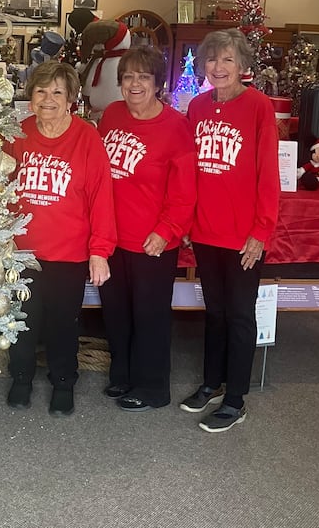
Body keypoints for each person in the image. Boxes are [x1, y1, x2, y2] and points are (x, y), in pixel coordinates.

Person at [180, 28, 279, 433]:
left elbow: (268, 175)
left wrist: (261, 232)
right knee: (215, 312)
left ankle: (236, 399)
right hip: (205, 231)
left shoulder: (258, 107)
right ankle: (212, 383)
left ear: (242, 65)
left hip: (243, 237)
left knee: (239, 315)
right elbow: (188, 171)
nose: (218, 67)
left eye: (227, 60)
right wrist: (186, 220)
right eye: (212, 59)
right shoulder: (198, 107)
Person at [7, 61, 116, 416]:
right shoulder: (17, 134)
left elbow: (101, 198)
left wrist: (99, 252)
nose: (49, 99)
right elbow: (0, 190)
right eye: (41, 91)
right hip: (22, 251)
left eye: (57, 92)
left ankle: (63, 381)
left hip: (69, 253)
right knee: (21, 320)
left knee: (61, 323)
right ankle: (21, 378)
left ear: (71, 98)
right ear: (31, 97)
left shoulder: (87, 138)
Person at [97, 46, 196, 412]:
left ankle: (153, 387)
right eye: (128, 76)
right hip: (112, 239)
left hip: (152, 241)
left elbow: (186, 191)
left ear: (158, 84)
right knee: (116, 313)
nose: (134, 83)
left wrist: (167, 230)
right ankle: (122, 375)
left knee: (149, 317)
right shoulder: (111, 115)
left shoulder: (175, 127)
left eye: (143, 77)